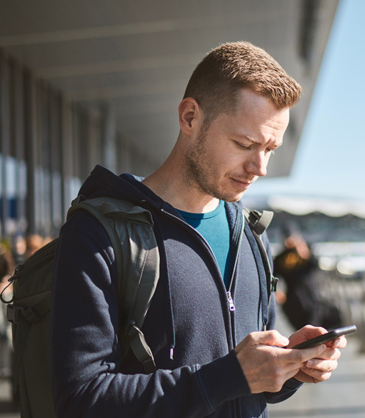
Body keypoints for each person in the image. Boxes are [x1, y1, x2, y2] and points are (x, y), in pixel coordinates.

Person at [50, 41, 347, 418]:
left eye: (270, 149)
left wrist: (288, 368)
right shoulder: (100, 235)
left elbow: (246, 385)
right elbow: (80, 400)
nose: (261, 167)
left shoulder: (251, 235)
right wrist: (230, 375)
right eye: (245, 143)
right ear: (190, 118)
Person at [273, 230, 343, 330]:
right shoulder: (281, 258)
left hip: (313, 297)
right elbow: (272, 276)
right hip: (293, 302)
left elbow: (316, 266)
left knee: (317, 329)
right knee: (304, 332)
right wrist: (278, 293)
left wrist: (302, 249)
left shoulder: (305, 250)